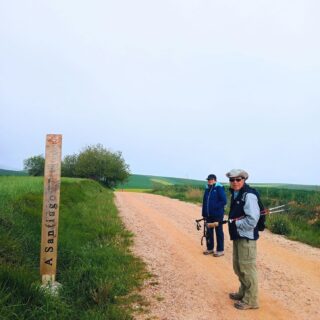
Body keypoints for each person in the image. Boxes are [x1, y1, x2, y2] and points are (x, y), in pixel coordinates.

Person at [225, 169, 260, 310]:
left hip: (246, 237)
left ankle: (251, 300)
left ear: (244, 180)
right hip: (238, 235)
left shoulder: (249, 195)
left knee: (247, 268)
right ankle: (243, 292)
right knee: (238, 266)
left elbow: (252, 220)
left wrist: (236, 224)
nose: (235, 182)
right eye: (232, 180)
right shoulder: (236, 193)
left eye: (238, 180)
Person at [201, 174, 227, 257]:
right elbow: (205, 202)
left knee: (218, 231)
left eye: (211, 179)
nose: (209, 181)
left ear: (215, 180)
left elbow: (224, 201)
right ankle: (210, 248)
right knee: (209, 232)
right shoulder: (207, 189)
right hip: (208, 215)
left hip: (217, 214)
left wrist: (214, 207)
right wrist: (204, 213)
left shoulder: (219, 188)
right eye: (208, 179)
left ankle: (220, 250)